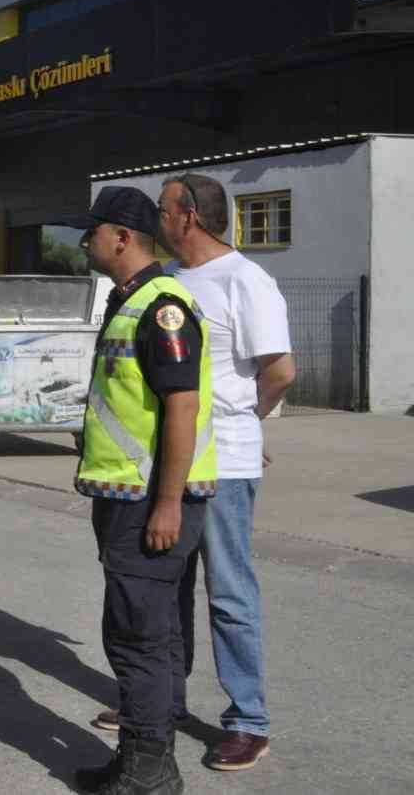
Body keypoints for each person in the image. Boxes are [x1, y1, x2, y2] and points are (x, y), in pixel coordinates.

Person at [66, 187, 218, 795]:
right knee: (146, 631)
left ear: (122, 238)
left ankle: (147, 769)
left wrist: (168, 503)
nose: (85, 241)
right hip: (128, 498)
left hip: (147, 503)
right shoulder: (130, 302)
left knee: (139, 637)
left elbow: (182, 406)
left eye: (93, 231)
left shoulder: (163, 307)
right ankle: (147, 758)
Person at [148, 172, 290, 772]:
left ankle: (248, 721)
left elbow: (279, 370)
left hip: (225, 462)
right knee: (167, 587)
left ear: (190, 216)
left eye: (162, 208)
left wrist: (245, 424)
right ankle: (164, 701)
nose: (157, 219)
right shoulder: (170, 282)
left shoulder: (246, 279)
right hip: (171, 460)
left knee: (228, 590)